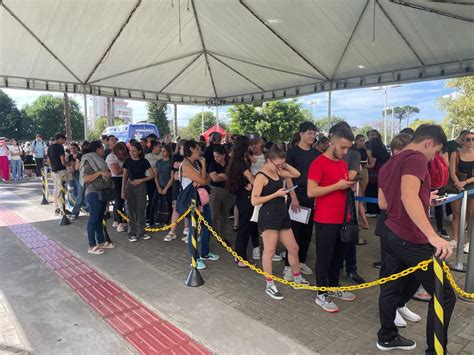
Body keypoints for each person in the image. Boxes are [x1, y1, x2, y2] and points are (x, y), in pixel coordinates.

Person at [376, 124, 455, 353]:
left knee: (392, 286)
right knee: (446, 295)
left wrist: (423, 197)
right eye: (436, 151)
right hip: (409, 237)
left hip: (391, 231)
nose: (434, 157)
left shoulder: (391, 162)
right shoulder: (416, 158)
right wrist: (433, 236)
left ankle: (387, 336)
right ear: (428, 143)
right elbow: (408, 196)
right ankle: (436, 351)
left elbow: (398, 197)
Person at [375, 133, 422, 328]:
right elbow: (382, 203)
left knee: (411, 272)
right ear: (395, 152)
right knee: (391, 271)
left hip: (410, 227)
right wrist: (405, 201)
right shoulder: (388, 169)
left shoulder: (410, 168)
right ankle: (390, 309)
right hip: (391, 226)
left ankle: (401, 303)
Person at [307, 126, 357, 313]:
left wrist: (347, 186)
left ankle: (333, 287)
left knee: (339, 256)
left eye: (347, 149)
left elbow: (339, 187)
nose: (345, 152)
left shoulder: (343, 164)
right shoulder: (318, 163)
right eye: (342, 147)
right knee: (324, 257)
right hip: (325, 219)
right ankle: (321, 293)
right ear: (332, 142)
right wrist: (338, 185)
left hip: (343, 217)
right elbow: (311, 191)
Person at [252, 145, 309, 300]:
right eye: (277, 164)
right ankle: (269, 284)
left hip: (282, 214)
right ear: (268, 161)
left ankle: (296, 278)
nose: (280, 167)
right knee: (269, 251)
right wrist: (275, 194)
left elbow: (296, 173)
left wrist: (284, 165)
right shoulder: (261, 176)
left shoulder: (278, 171)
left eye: (281, 164)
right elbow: (254, 200)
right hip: (269, 215)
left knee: (293, 247)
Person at [284, 122, 320, 280]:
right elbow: (287, 176)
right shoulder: (292, 153)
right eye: (309, 133)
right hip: (295, 199)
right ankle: (288, 266)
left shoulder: (316, 154)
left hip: (311, 198)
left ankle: (301, 261)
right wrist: (293, 198)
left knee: (306, 233)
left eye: (314, 134)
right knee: (292, 234)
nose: (312, 136)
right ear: (301, 134)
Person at [180, 140, 220, 270]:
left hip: (203, 199)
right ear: (191, 149)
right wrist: (202, 176)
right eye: (198, 148)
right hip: (193, 202)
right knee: (194, 229)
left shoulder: (196, 163)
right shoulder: (185, 165)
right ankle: (195, 258)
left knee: (207, 225)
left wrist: (202, 167)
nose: (200, 151)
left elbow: (207, 179)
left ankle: (205, 252)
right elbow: (203, 179)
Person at [79, 140, 115, 255]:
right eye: (102, 148)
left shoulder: (100, 161)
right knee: (93, 219)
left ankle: (101, 241)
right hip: (94, 193)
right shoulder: (88, 160)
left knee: (99, 218)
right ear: (97, 149)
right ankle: (92, 245)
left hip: (102, 193)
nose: (104, 150)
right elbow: (85, 178)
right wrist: (100, 173)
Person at [226, 136, 256, 267]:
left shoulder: (235, 160)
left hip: (240, 196)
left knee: (243, 229)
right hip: (246, 198)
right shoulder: (241, 162)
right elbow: (252, 180)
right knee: (245, 229)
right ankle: (241, 259)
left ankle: (238, 256)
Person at [121, 142, 155, 242]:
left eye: (134, 151)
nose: (132, 153)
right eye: (130, 151)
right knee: (130, 209)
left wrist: (141, 180)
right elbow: (124, 176)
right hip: (129, 185)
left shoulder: (144, 161)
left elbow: (152, 175)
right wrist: (122, 189)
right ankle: (131, 233)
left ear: (139, 151)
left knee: (141, 209)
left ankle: (142, 232)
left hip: (141, 186)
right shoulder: (127, 161)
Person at [449, 130, 474, 253]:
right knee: (456, 214)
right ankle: (455, 239)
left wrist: (465, 182)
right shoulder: (455, 153)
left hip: (471, 187)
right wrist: (458, 183)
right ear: (463, 141)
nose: (470, 142)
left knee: (470, 215)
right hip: (456, 185)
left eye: (473, 139)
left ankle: (470, 241)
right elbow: (452, 171)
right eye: (468, 139)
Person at [164, 139, 188, 241]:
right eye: (182, 146)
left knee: (188, 208)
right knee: (176, 208)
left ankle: (187, 230)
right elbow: (175, 168)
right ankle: (172, 231)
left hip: (188, 186)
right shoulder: (176, 156)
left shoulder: (190, 158)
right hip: (178, 185)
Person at [208, 145, 234, 239]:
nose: (216, 159)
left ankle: (222, 236)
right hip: (215, 192)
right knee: (213, 215)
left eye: (217, 156)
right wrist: (226, 176)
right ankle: (208, 235)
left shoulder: (230, 164)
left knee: (224, 216)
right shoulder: (212, 165)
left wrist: (222, 176)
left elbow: (233, 177)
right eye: (214, 157)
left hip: (229, 192)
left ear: (223, 155)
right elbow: (214, 178)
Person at [106, 142, 128, 232]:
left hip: (125, 178)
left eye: (123, 153)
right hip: (116, 180)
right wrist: (127, 167)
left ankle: (120, 219)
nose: (122, 155)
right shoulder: (111, 157)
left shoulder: (125, 156)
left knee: (123, 201)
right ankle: (119, 222)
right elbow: (116, 171)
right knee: (118, 200)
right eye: (120, 153)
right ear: (116, 152)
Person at [150, 144, 173, 227]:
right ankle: (152, 220)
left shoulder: (171, 162)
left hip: (168, 186)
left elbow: (172, 177)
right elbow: (156, 176)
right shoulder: (159, 162)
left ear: (168, 152)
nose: (162, 153)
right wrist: (158, 187)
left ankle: (167, 221)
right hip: (159, 185)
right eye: (162, 151)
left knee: (168, 204)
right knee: (154, 203)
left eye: (164, 151)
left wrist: (166, 188)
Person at [366, 137, 391, 216]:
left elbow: (372, 165)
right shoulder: (385, 152)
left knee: (371, 191)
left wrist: (362, 166)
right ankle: (380, 210)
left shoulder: (374, 152)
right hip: (385, 174)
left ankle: (372, 211)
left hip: (374, 175)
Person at [47, 133, 69, 215]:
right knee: (61, 190)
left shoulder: (49, 147)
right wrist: (69, 164)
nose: (64, 142)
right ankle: (62, 208)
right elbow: (63, 161)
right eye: (63, 140)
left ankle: (56, 207)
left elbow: (49, 161)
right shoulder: (60, 147)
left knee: (56, 189)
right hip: (61, 171)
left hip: (53, 171)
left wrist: (53, 166)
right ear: (60, 139)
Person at [68, 141, 90, 220]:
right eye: (71, 148)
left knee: (82, 194)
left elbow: (76, 167)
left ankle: (77, 212)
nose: (72, 149)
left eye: (74, 148)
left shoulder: (81, 155)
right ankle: (77, 211)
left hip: (85, 177)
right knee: (81, 194)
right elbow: (76, 167)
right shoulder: (82, 155)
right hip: (83, 177)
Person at [354, 134, 370, 230]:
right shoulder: (352, 149)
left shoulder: (365, 150)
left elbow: (369, 163)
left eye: (364, 140)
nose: (362, 142)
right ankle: (364, 221)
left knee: (361, 197)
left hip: (363, 171)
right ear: (356, 141)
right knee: (359, 198)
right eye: (360, 140)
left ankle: (363, 221)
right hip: (355, 173)